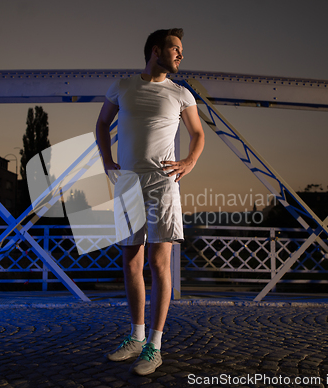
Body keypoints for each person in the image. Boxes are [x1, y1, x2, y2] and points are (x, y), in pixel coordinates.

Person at [95, 28, 205, 375]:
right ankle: (136, 338)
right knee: (131, 263)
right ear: (156, 50)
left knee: (160, 264)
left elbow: (198, 134)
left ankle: (154, 347)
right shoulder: (123, 86)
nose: (181, 55)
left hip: (163, 181)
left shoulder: (181, 93)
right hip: (128, 181)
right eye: (176, 49)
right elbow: (101, 124)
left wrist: (189, 161)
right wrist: (106, 160)